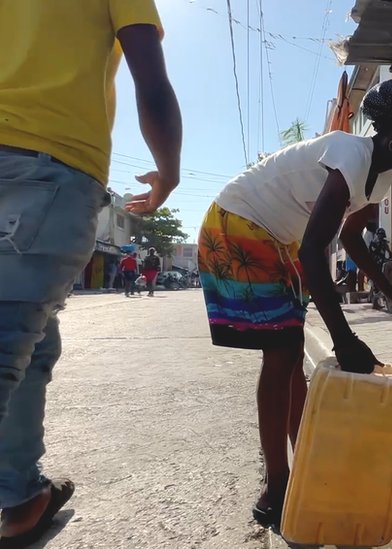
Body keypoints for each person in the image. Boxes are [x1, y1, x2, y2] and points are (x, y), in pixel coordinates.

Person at [197, 79, 392, 528]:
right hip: (237, 223)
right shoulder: (350, 154)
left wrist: (391, 294)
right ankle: (277, 487)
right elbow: (315, 250)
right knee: (281, 356)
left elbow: (351, 238)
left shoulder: (384, 177)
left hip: (278, 240)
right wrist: (344, 338)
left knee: (291, 355)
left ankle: (304, 461)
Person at [0, 2, 182, 544]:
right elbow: (151, 79)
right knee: (11, 338)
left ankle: (19, 494)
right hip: (48, 158)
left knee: (33, 339)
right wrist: (168, 172)